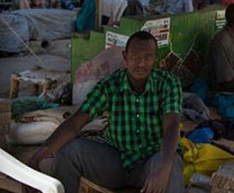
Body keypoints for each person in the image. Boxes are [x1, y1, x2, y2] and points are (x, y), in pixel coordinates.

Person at [26, 32, 184, 193]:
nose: (141, 63)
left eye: (148, 57)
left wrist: (163, 168)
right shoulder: (110, 85)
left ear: (155, 58)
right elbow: (76, 123)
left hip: (151, 162)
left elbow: (171, 126)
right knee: (69, 151)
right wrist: (36, 157)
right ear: (125, 56)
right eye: (135, 56)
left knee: (172, 163)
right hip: (116, 161)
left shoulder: (168, 83)